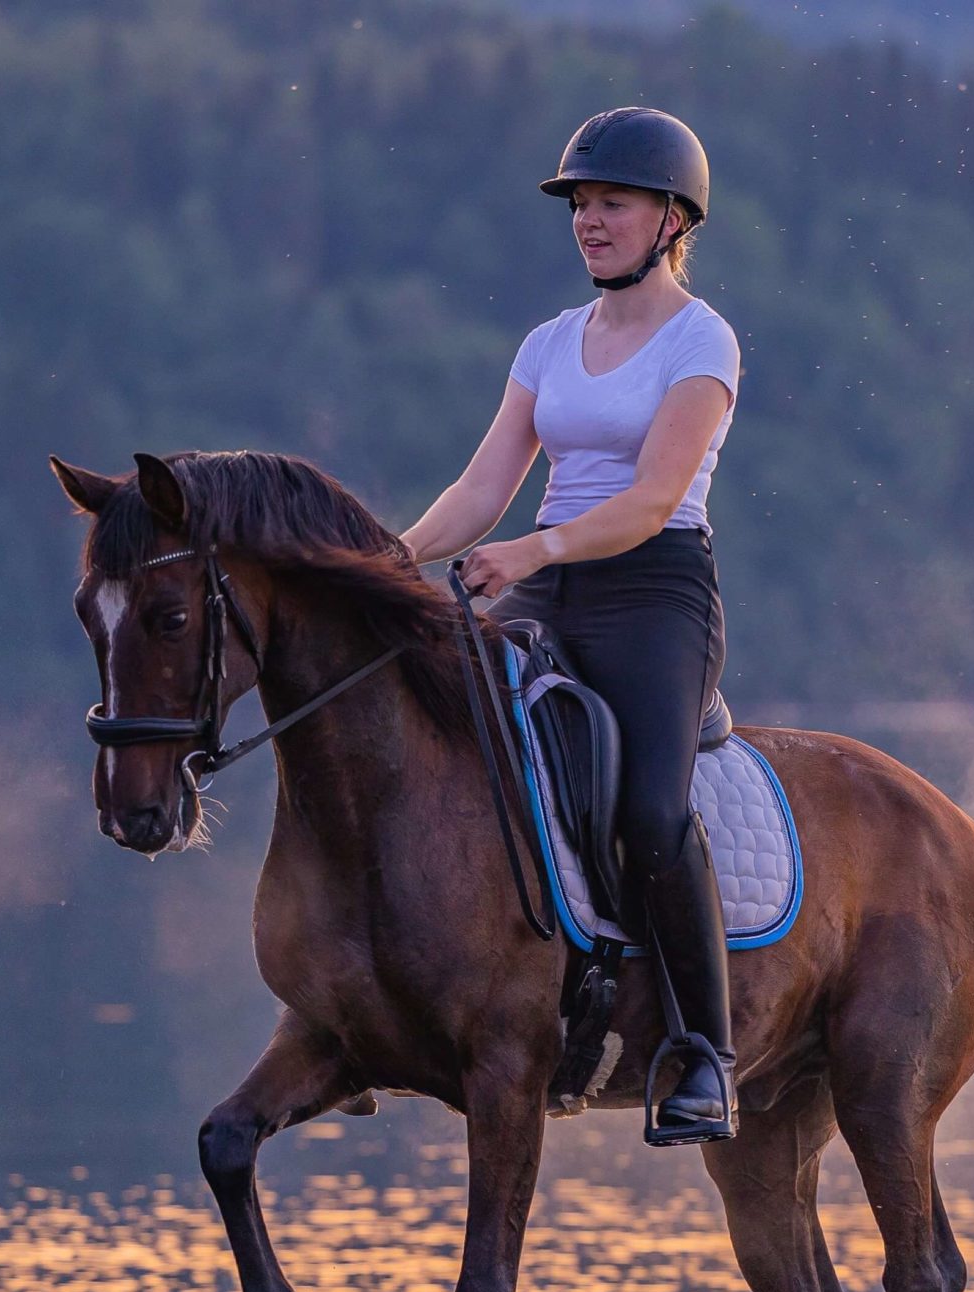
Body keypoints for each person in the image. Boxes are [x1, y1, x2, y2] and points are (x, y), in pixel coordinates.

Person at [399, 106, 744, 1145]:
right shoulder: (550, 342)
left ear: (671, 217)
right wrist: (385, 561)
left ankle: (703, 1053)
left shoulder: (701, 338)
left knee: (648, 811)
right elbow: (482, 487)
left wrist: (533, 554)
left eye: (612, 202)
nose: (589, 220)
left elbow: (650, 499)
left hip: (654, 588)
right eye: (580, 203)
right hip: (546, 574)